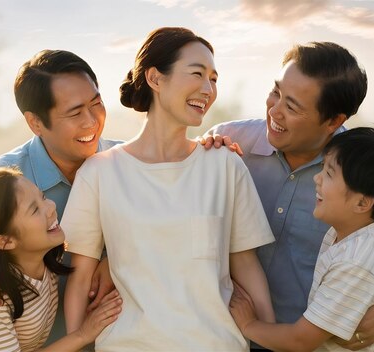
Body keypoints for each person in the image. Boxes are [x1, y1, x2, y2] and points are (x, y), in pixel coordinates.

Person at [203, 42, 374, 350]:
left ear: (333, 121)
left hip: (310, 341)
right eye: (276, 92)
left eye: (293, 107)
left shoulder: (359, 174)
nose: (275, 111)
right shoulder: (231, 144)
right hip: (246, 337)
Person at [61, 27, 275, 351]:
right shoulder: (100, 173)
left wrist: (272, 340)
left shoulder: (225, 165)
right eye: (197, 74)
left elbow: (246, 265)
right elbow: (79, 278)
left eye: (214, 79)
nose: (208, 89)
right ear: (155, 79)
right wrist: (76, 343)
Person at [0, 50, 120, 345]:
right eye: (75, 112)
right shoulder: (2, 181)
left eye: (97, 103)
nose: (91, 121)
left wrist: (116, 259)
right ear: (35, 123)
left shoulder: (133, 161)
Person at [229, 127, 374, 351]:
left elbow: (301, 341)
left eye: (329, 174)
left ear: (362, 203)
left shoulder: (358, 260)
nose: (317, 178)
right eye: (323, 168)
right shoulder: (347, 233)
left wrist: (248, 325)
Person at [0, 168, 122, 351]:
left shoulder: (46, 257)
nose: (51, 206)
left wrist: (109, 261)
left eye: (42, 197)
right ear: (6, 241)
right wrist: (83, 334)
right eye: (35, 209)